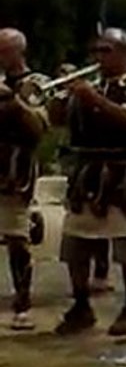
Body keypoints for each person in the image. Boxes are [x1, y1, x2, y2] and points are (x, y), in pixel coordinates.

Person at [50, 29, 126, 336]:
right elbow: (58, 121)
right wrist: (62, 100)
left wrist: (93, 99)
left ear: (124, 52)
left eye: (106, 50)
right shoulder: (92, 84)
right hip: (86, 169)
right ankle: (81, 305)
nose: (98, 57)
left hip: (122, 171)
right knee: (76, 242)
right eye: (96, 51)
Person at [0, 28, 49, 331]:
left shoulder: (38, 83)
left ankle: (23, 302)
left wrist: (14, 101)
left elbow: (39, 127)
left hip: (16, 165)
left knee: (16, 236)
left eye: (4, 50)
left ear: (19, 51)